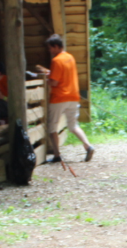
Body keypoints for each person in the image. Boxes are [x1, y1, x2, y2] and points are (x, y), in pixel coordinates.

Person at [37, 33, 96, 162]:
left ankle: (57, 155)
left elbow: (54, 82)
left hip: (59, 98)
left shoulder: (56, 60)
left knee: (52, 127)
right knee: (73, 125)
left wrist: (45, 79)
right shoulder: (70, 57)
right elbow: (63, 74)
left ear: (56, 46)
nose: (50, 50)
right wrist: (50, 73)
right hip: (73, 96)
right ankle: (88, 146)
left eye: (51, 48)